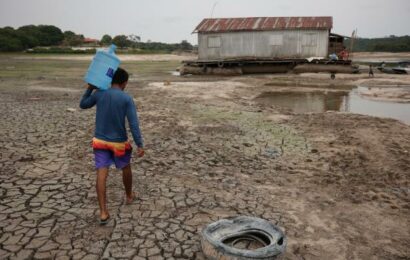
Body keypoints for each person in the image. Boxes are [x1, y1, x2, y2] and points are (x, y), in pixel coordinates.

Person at [80, 67, 144, 225]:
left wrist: (90, 88)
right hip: (118, 143)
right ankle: (129, 196)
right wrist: (139, 144)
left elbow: (83, 104)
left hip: (100, 142)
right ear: (124, 83)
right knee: (126, 168)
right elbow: (133, 124)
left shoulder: (99, 93)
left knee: (101, 174)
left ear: (110, 80)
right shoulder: (126, 98)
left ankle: (103, 212)